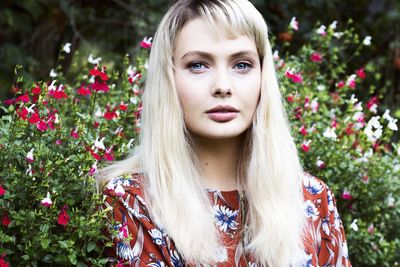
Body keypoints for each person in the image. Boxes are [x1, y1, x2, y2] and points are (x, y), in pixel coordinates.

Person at [98, 0, 351, 266]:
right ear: (168, 77)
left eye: (241, 64)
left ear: (263, 76)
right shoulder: (130, 202)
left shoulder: (311, 199)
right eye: (198, 65)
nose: (222, 86)